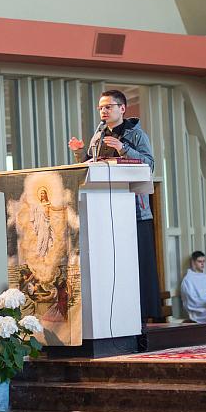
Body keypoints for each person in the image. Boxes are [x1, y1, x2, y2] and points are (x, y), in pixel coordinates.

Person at [68, 89, 161, 321]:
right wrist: (79, 153)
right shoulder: (98, 135)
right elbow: (91, 167)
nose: (104, 111)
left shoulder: (136, 134)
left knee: (137, 266)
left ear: (122, 108)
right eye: (101, 107)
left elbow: (149, 165)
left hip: (134, 211)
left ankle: (142, 318)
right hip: (104, 212)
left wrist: (123, 148)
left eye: (108, 106)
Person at [180, 251, 206, 324]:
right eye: (200, 261)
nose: (202, 264)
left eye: (204, 261)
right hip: (198, 314)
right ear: (193, 263)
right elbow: (192, 302)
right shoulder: (187, 280)